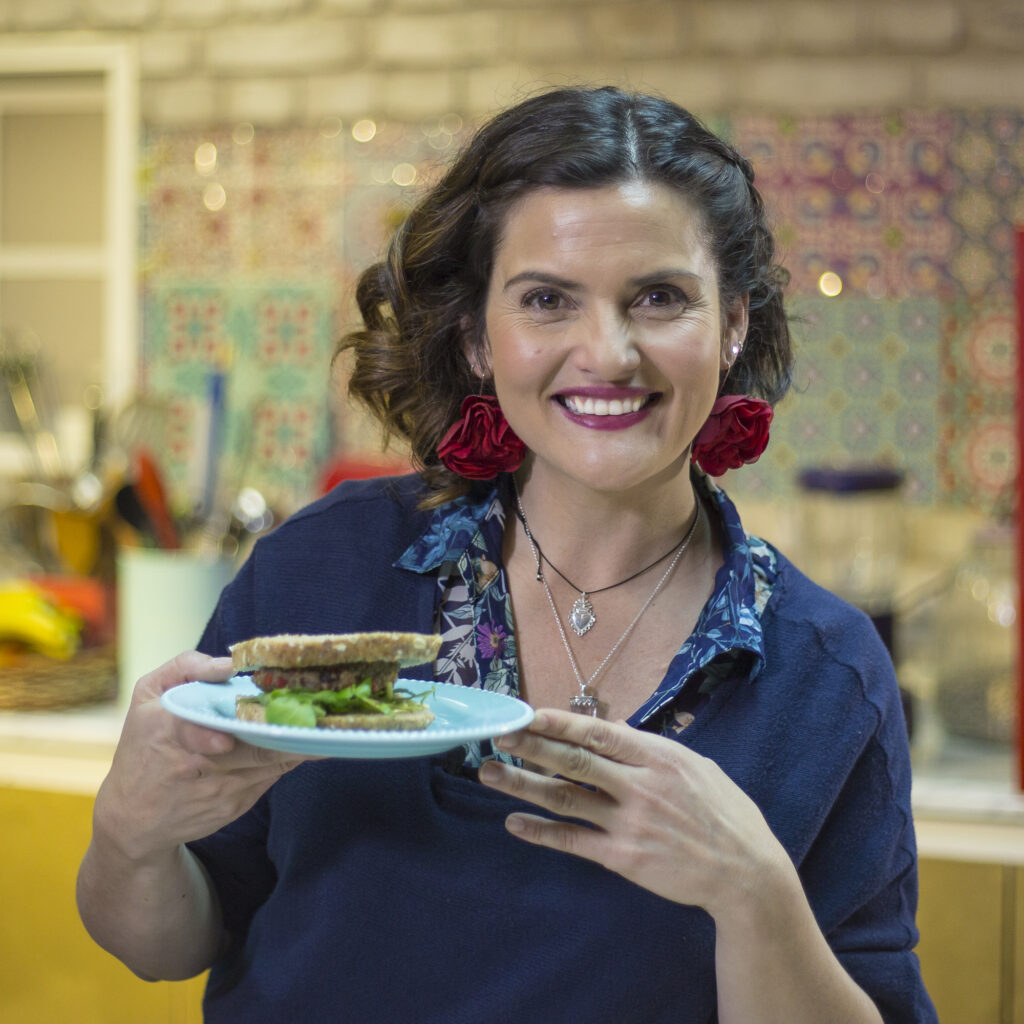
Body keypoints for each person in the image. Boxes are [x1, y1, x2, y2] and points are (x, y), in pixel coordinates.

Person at [77, 86, 937, 1023]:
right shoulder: (321, 567)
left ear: (732, 325)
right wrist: (127, 833)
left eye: (659, 298)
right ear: (477, 337)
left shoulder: (827, 676)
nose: (608, 354)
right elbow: (170, 943)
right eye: (546, 301)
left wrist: (755, 893)